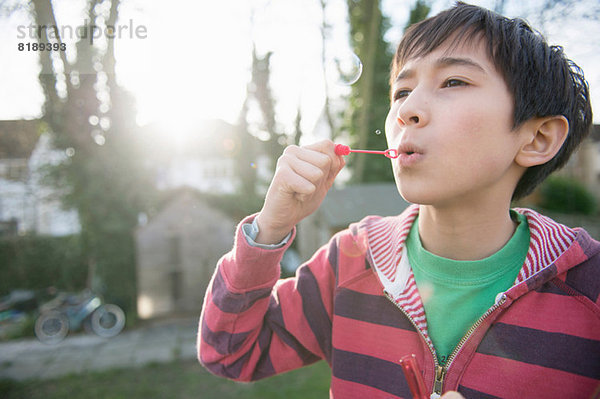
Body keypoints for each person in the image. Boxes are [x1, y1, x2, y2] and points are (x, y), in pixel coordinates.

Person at [198, 2, 600, 398]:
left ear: (538, 138)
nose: (406, 109)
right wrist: (269, 228)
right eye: (402, 90)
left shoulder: (589, 286)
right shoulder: (351, 261)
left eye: (453, 82)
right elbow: (230, 353)